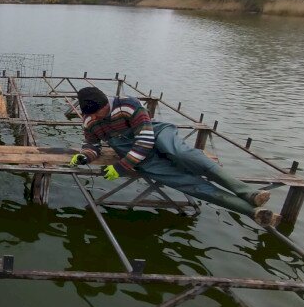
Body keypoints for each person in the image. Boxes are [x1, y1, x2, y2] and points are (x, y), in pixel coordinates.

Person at [70, 86, 280, 226]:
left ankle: (249, 193)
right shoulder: (90, 121)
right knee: (187, 183)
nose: (97, 116)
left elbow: (145, 139)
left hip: (156, 134)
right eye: (92, 114)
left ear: (107, 102)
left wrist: (121, 167)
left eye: (100, 111)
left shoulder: (128, 104)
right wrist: (85, 156)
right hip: (139, 156)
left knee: (181, 154)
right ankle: (252, 212)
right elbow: (92, 144)